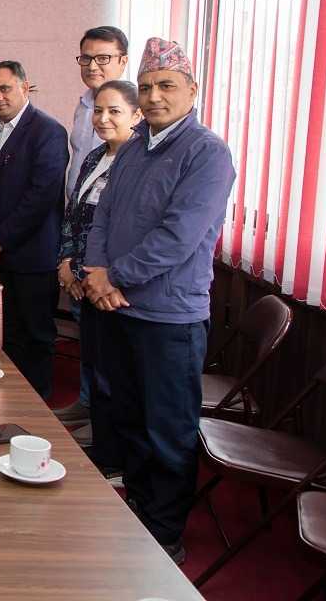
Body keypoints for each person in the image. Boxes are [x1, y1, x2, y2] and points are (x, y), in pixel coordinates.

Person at [83, 38, 235, 565]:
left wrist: (114, 276)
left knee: (167, 431)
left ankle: (164, 535)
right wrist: (95, 272)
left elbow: (178, 237)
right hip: (117, 308)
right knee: (127, 418)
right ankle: (138, 513)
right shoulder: (134, 147)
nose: (152, 97)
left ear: (192, 90)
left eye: (166, 86)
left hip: (169, 318)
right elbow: (103, 216)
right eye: (146, 87)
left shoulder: (207, 153)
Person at [0, 60, 68, 399]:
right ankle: (8, 402)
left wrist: (0, 239)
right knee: (3, 336)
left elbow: (42, 196)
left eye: (5, 89)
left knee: (35, 337)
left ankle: (37, 408)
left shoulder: (48, 131)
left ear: (25, 87)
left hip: (31, 256)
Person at [55, 80, 141, 459]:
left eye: (114, 111)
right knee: (90, 351)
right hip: (79, 274)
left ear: (136, 116)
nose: (103, 119)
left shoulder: (137, 162)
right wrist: (65, 263)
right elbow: (73, 214)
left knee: (111, 368)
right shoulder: (94, 156)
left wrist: (84, 271)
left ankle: (104, 433)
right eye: (98, 111)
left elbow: (120, 230)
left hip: (108, 281)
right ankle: (87, 407)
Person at [68, 27, 129, 195]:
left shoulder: (133, 110)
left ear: (123, 61)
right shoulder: (84, 104)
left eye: (103, 58)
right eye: (86, 58)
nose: (92, 66)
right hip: (77, 204)